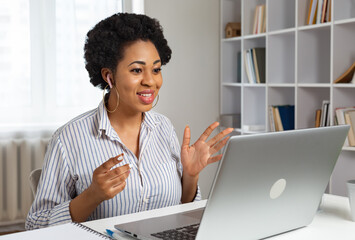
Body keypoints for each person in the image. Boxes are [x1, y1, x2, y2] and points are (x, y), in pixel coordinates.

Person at [25, 13, 233, 230]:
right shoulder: (68, 139)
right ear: (109, 77)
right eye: (136, 70)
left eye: (156, 69)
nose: (150, 81)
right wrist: (92, 196)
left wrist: (190, 177)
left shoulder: (164, 127)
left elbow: (181, 210)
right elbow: (35, 225)